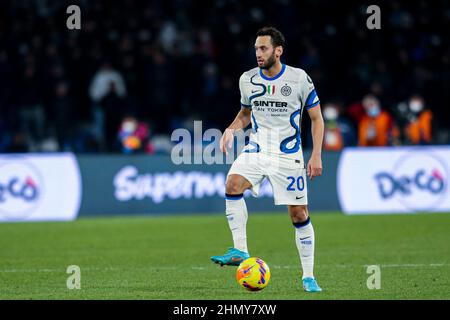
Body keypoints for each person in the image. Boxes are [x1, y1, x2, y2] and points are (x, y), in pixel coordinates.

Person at [210, 27, 324, 293]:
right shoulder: (247, 79)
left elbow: (317, 118)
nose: (258, 54)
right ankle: (240, 249)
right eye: (256, 49)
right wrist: (231, 128)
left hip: (288, 156)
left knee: (299, 214)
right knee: (232, 184)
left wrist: (316, 153)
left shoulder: (299, 79)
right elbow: (244, 114)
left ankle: (308, 276)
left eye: (263, 48)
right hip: (258, 149)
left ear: (278, 50)